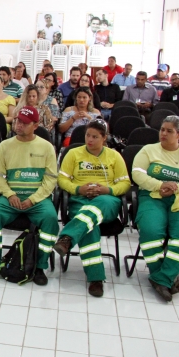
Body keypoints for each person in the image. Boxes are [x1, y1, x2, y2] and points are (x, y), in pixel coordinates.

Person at [0, 107, 58, 284]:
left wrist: (33, 199)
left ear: (35, 125)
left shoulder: (46, 147)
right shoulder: (5, 146)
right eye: (17, 121)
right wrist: (10, 195)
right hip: (11, 197)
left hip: (37, 199)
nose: (19, 125)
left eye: (24, 123)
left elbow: (51, 179)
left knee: (51, 218)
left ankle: (39, 266)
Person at [132, 115, 179, 301]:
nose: (163, 133)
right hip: (152, 196)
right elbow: (137, 174)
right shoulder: (148, 150)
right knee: (150, 230)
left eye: (169, 131)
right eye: (162, 129)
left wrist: (176, 187)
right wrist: (160, 185)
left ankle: (162, 278)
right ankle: (163, 277)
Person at [54, 120, 130, 297]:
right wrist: (78, 189)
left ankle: (67, 237)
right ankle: (96, 279)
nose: (90, 140)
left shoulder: (114, 156)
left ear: (104, 138)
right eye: (88, 135)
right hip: (80, 200)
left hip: (107, 201)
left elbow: (125, 183)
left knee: (97, 207)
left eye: (95, 137)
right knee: (89, 226)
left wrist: (107, 190)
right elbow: (62, 180)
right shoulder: (73, 153)